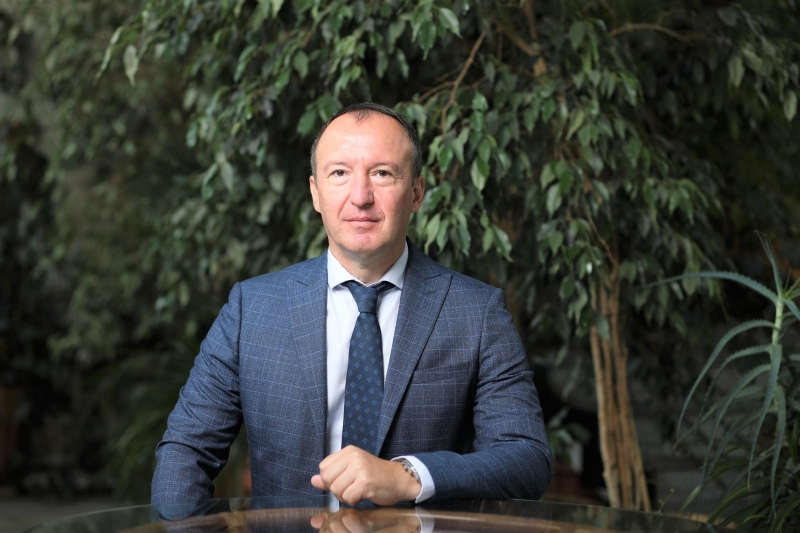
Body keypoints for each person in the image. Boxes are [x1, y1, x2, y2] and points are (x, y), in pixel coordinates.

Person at [151, 102, 552, 507]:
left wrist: (410, 476)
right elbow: (185, 452)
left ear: (416, 193)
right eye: (340, 173)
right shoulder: (251, 309)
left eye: (382, 173)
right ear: (316, 193)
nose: (360, 197)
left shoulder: (477, 313)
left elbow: (526, 459)